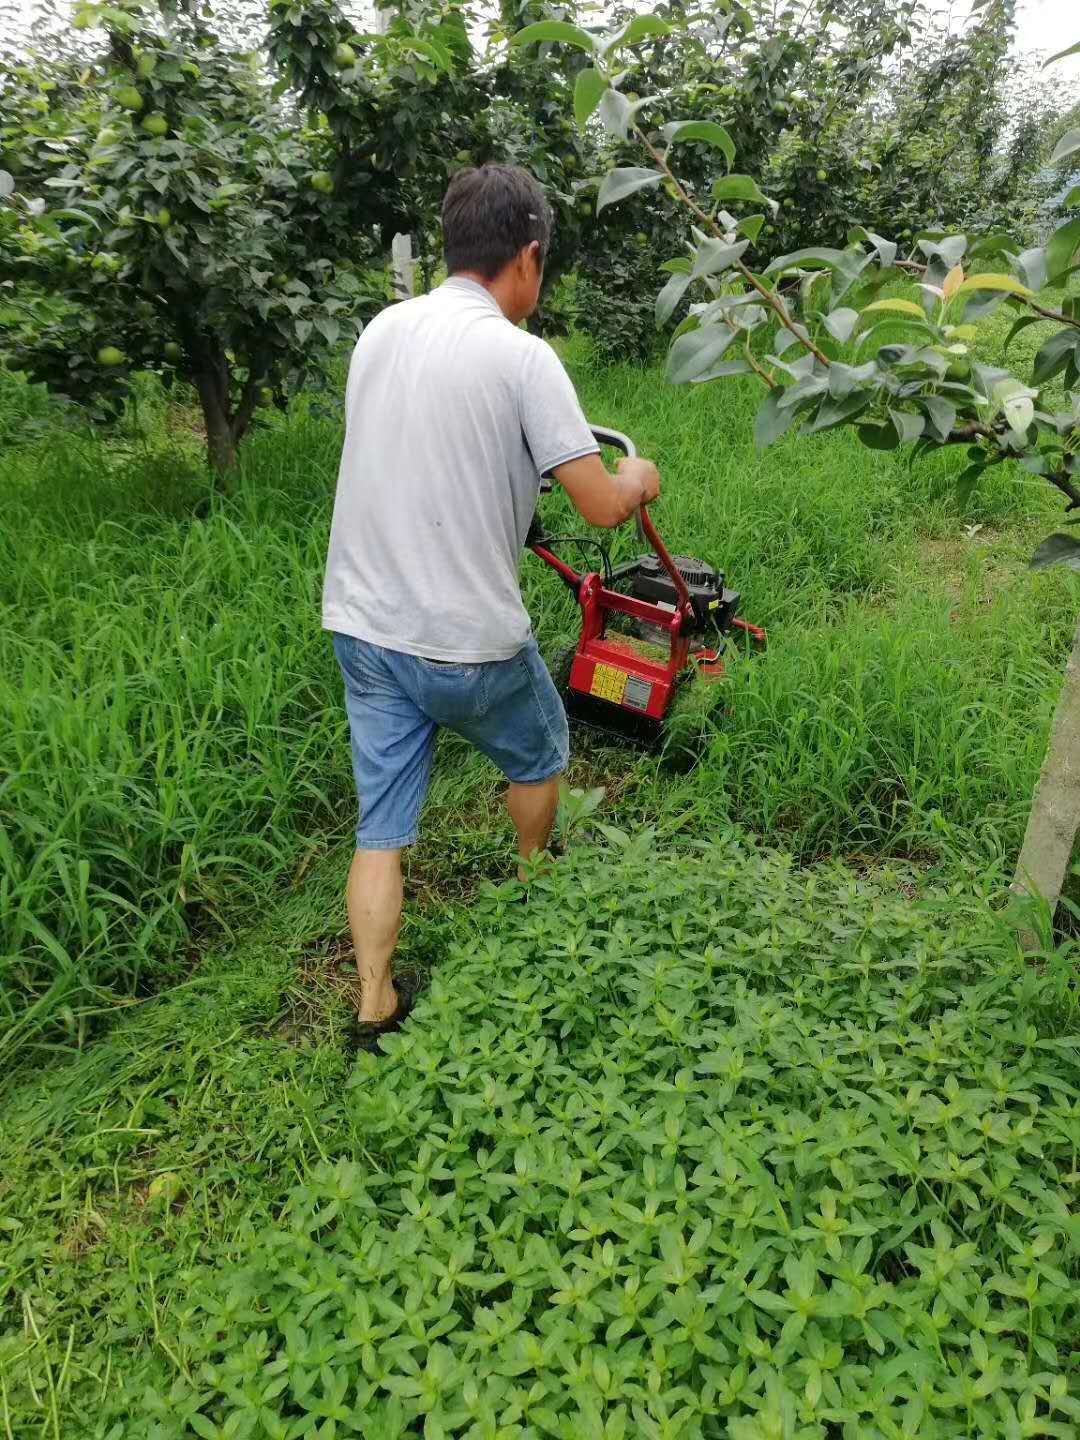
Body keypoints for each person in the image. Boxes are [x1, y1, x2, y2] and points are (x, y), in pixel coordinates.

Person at [322, 163, 661, 1049]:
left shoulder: (381, 332)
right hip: (466, 641)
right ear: (529, 255)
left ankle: (374, 1007)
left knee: (381, 827)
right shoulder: (522, 357)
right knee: (541, 750)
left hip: (362, 625)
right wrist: (637, 475)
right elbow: (598, 504)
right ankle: (530, 878)